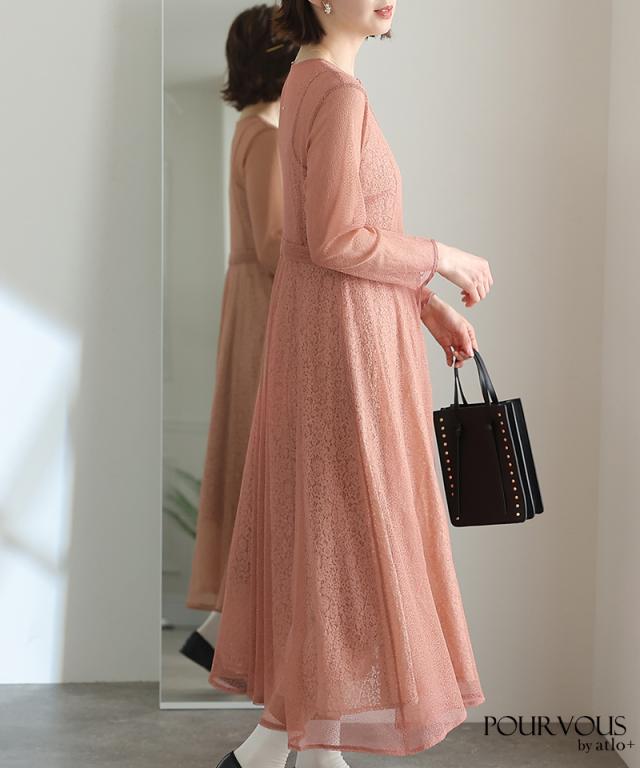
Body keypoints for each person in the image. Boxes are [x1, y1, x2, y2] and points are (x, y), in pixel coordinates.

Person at [210, 1, 493, 766]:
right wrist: (442, 257)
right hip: (347, 346)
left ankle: (289, 748)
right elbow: (337, 238)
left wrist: (425, 304)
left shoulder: (306, 82)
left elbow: (322, 234)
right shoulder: (337, 95)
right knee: (352, 543)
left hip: (333, 331)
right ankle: (287, 749)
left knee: (331, 542)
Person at [182, 6, 298, 670]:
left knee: (262, 463)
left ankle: (222, 634)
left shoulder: (253, 130)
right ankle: (229, 634)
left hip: (254, 302)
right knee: (269, 463)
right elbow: (276, 243)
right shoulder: (265, 134)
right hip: (266, 308)